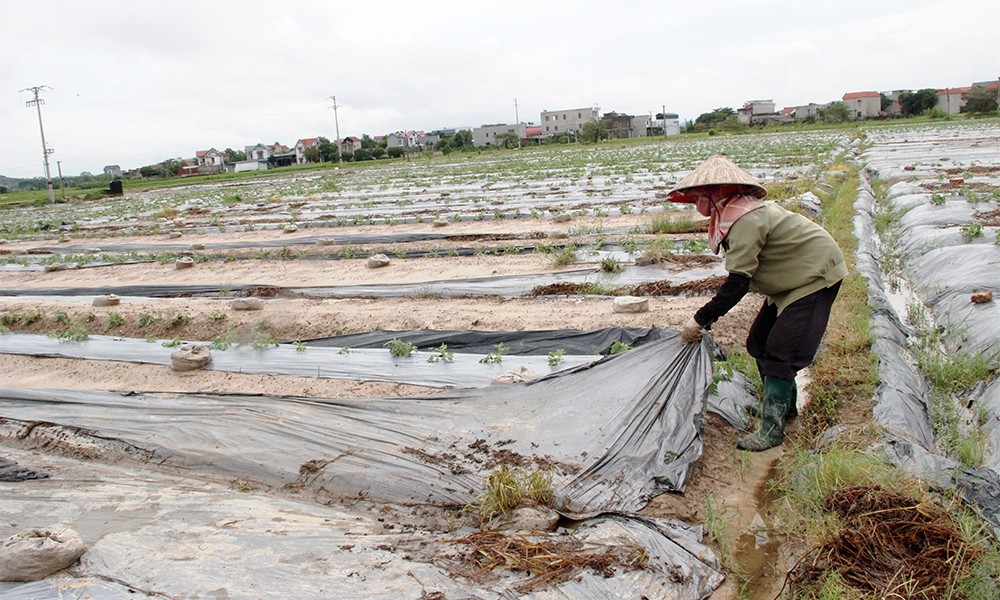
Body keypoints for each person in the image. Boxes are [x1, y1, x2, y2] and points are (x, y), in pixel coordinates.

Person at [667, 155, 847, 452]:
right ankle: (783, 409)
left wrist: (700, 319)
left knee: (781, 351)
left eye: (699, 196)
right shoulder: (733, 215)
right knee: (758, 342)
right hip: (788, 281)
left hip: (813, 276)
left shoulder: (745, 220)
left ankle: (771, 430)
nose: (695, 202)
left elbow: (738, 283)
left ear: (716, 194)